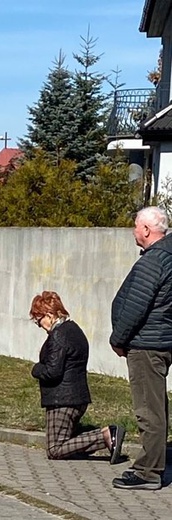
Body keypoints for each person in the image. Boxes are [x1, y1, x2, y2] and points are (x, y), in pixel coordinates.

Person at [109, 206, 172, 491]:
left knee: (149, 410)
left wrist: (119, 338)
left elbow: (136, 306)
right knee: (157, 407)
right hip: (160, 341)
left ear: (147, 229)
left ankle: (148, 471)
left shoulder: (154, 261)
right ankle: (154, 463)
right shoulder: (166, 257)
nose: (134, 231)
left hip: (147, 344)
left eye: (135, 226)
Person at [29, 291, 125, 464]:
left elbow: (52, 371)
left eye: (39, 320)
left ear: (49, 314)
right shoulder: (74, 330)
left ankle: (107, 434)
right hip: (76, 396)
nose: (39, 325)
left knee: (54, 449)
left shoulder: (58, 335)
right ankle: (106, 436)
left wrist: (36, 369)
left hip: (63, 400)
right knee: (63, 444)